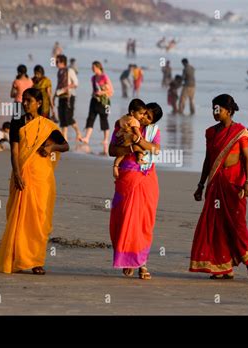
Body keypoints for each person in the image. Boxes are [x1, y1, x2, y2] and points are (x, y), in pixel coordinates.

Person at [0, 88, 70, 275]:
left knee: (39, 219)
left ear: (38, 103)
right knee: (19, 218)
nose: (25, 103)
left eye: (29, 100)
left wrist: (52, 147)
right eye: (24, 100)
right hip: (22, 176)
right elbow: (14, 152)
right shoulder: (17, 122)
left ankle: (37, 261)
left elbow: (66, 146)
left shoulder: (47, 125)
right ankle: (17, 260)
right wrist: (17, 174)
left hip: (42, 180)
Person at [190, 94, 248, 279]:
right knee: (216, 225)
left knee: (237, 224)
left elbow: (246, 159)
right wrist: (200, 184)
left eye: (218, 109)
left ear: (228, 111)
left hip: (234, 185)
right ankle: (223, 267)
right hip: (215, 183)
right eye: (213, 108)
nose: (214, 112)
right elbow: (208, 160)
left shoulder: (239, 132)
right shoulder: (211, 132)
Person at [108, 102, 163, 280]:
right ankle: (127, 258)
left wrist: (139, 141)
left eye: (149, 117)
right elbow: (112, 150)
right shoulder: (124, 124)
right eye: (144, 114)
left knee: (144, 222)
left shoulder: (154, 132)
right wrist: (131, 148)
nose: (145, 118)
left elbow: (155, 151)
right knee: (123, 218)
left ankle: (141, 262)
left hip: (147, 179)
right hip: (127, 177)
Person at [112, 99, 147, 178]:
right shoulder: (134, 121)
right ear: (132, 112)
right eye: (140, 114)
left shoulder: (124, 117)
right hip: (128, 139)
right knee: (140, 148)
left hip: (119, 137)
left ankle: (115, 166)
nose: (142, 116)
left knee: (121, 155)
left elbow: (118, 124)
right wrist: (140, 138)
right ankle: (139, 159)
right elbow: (136, 130)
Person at [82, 61, 114, 145]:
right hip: (94, 100)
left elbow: (111, 91)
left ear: (98, 67)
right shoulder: (93, 78)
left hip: (105, 102)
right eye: (92, 67)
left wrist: (102, 93)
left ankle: (106, 139)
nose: (92, 69)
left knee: (104, 119)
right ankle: (87, 138)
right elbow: (94, 90)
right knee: (90, 118)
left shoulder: (104, 77)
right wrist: (94, 94)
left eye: (94, 67)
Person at [54, 54, 84, 142]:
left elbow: (76, 83)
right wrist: (54, 95)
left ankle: (77, 132)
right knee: (62, 117)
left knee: (68, 117)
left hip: (69, 96)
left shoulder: (69, 70)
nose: (55, 63)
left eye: (57, 61)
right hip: (61, 96)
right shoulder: (59, 72)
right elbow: (58, 84)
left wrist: (65, 89)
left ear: (62, 62)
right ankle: (64, 137)